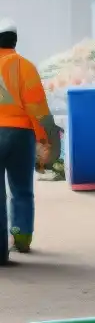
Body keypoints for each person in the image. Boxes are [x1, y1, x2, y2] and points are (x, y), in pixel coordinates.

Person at [0, 18, 58, 264]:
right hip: (21, 134)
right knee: (22, 190)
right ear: (14, 41)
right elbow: (37, 106)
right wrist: (47, 140)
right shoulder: (24, 66)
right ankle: (21, 239)